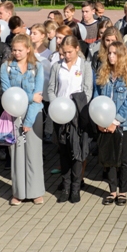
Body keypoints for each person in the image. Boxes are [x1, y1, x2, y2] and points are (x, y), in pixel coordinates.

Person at [0, 34, 45, 205]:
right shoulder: (6, 67)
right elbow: (8, 93)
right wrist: (31, 97)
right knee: (16, 153)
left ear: (28, 49)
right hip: (13, 113)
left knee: (34, 153)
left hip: (34, 113)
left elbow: (39, 96)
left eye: (20, 50)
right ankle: (18, 192)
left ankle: (36, 192)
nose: (16, 53)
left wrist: (29, 121)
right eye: (14, 50)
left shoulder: (37, 67)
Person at [47, 35, 93, 204]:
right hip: (60, 114)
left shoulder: (85, 66)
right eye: (64, 52)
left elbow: (88, 90)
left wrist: (77, 107)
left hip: (77, 115)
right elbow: (51, 89)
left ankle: (76, 187)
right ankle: (65, 187)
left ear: (77, 49)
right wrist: (57, 106)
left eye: (69, 52)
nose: (66, 56)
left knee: (77, 152)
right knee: (64, 151)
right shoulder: (57, 67)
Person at [94, 42, 127, 206]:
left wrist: (115, 121)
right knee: (109, 158)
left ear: (121, 55)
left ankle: (123, 191)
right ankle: (112, 191)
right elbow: (97, 97)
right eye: (109, 53)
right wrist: (100, 119)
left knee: (124, 158)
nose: (111, 56)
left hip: (125, 124)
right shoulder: (103, 74)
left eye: (115, 53)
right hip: (105, 122)